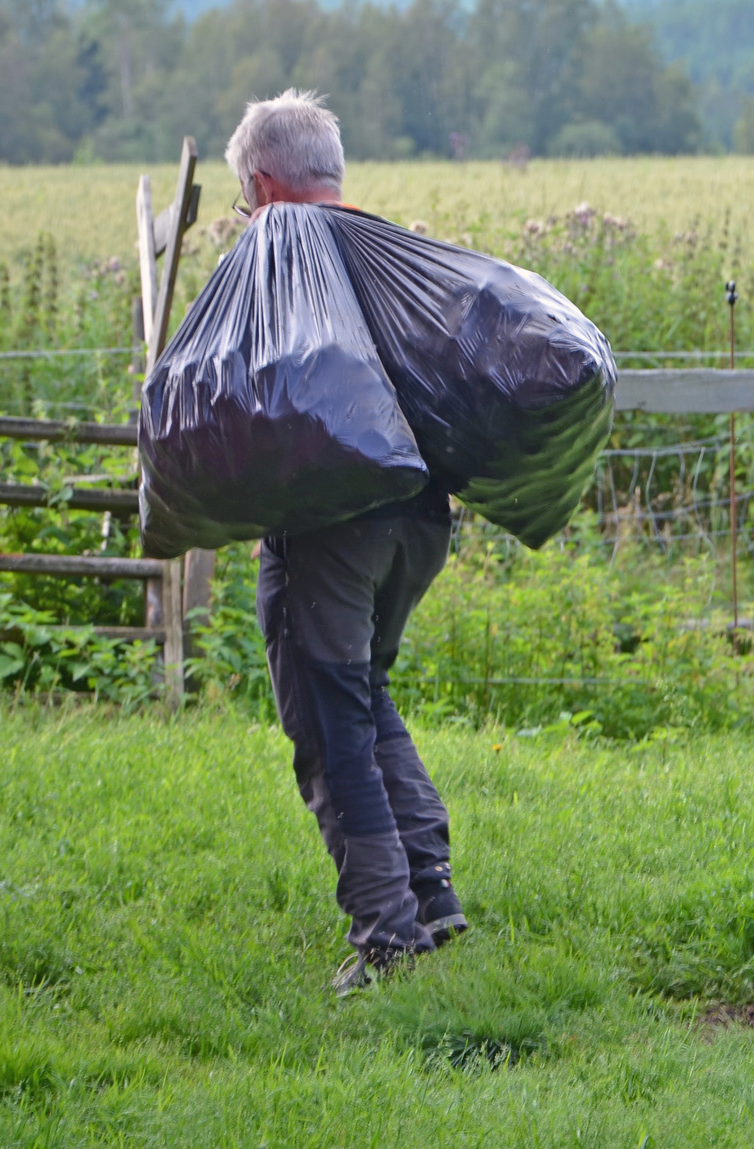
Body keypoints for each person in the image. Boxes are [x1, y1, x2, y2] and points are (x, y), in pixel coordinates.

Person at [229, 90, 469, 996]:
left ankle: (386, 933)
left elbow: (242, 386)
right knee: (365, 691)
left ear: (261, 184)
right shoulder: (391, 247)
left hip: (335, 525)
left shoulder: (279, 252)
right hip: (420, 519)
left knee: (333, 723)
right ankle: (430, 892)